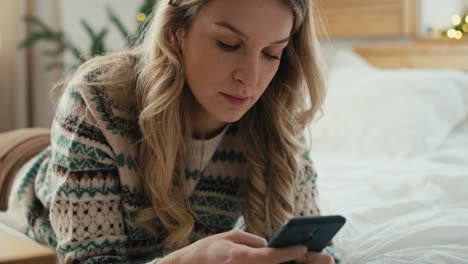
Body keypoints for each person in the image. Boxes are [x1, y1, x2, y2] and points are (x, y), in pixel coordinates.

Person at [0, 0, 338, 263]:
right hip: (15, 165)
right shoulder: (96, 99)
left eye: (271, 53)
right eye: (228, 44)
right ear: (177, 30)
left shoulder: (274, 116)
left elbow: (314, 239)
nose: (251, 80)